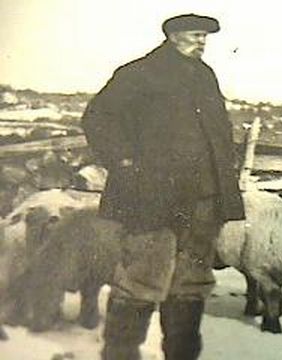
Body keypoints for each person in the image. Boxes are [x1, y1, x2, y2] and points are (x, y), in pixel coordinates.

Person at [81, 13, 245, 360]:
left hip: (202, 201)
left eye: (205, 36)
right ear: (173, 36)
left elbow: (216, 134)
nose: (203, 42)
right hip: (151, 199)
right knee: (140, 281)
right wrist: (125, 162)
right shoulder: (140, 73)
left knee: (190, 286)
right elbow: (97, 116)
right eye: (196, 35)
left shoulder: (204, 75)